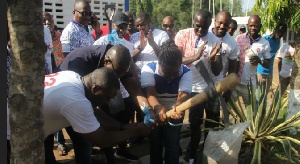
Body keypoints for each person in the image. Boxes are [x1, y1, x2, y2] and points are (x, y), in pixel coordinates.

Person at [54, 44, 152, 163]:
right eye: (117, 74)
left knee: (107, 118)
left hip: (71, 100)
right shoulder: (79, 64)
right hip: (58, 107)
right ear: (106, 62)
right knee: (83, 140)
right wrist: (133, 131)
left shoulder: (119, 61)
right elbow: (102, 136)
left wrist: (147, 109)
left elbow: (132, 86)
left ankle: (107, 158)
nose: (118, 78)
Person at [174, 9, 222, 164]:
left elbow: (217, 70)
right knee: (192, 123)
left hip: (206, 87)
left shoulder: (214, 40)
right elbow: (176, 60)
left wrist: (214, 58)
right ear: (193, 21)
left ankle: (205, 151)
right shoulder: (182, 35)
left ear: (210, 25)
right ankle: (190, 153)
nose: (200, 30)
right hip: (187, 86)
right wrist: (196, 56)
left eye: (204, 27)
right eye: (197, 26)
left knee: (209, 123)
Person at [93, 12, 140, 162]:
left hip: (125, 91)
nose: (122, 29)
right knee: (109, 123)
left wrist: (136, 84)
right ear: (113, 25)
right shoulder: (102, 42)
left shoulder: (128, 45)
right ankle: (108, 155)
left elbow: (131, 67)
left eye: (124, 27)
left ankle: (121, 150)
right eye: (119, 26)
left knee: (124, 121)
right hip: (108, 92)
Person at [141, 39, 192, 164]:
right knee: (155, 144)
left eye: (175, 74)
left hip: (175, 112)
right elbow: (150, 93)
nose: (170, 78)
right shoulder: (148, 68)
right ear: (159, 64)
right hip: (154, 111)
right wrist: (157, 108)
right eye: (167, 73)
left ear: (180, 65)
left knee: (173, 144)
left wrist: (177, 108)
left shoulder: (186, 71)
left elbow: (183, 94)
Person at [43, 11, 69, 156]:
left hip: (58, 75)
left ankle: (60, 143)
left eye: (49, 21)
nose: (48, 24)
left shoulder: (59, 37)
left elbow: (58, 57)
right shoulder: (41, 36)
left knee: (57, 111)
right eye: (45, 22)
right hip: (45, 79)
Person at [233, 15, 271, 106]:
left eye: (256, 26)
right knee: (227, 109)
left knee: (252, 112)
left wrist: (260, 61)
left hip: (249, 84)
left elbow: (268, 63)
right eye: (251, 26)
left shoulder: (264, 43)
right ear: (247, 26)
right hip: (235, 82)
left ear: (260, 26)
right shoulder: (239, 38)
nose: (253, 28)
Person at [130, 12, 169, 76]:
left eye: (142, 24)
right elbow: (130, 59)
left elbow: (165, 58)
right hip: (137, 76)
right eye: (137, 26)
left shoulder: (162, 35)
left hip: (154, 75)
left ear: (149, 22)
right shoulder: (134, 36)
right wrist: (140, 48)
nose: (139, 28)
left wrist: (153, 44)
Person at [211, 11, 239, 103]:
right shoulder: (206, 36)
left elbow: (232, 69)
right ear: (215, 21)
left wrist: (228, 89)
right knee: (195, 116)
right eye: (220, 23)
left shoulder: (232, 43)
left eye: (226, 24)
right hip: (200, 85)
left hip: (218, 85)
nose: (222, 26)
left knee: (213, 116)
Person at [257, 22, 287, 91]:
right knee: (258, 97)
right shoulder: (265, 39)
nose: (280, 35)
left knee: (265, 96)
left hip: (270, 73)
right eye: (279, 32)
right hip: (261, 72)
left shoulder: (278, 41)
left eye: (282, 34)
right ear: (275, 30)